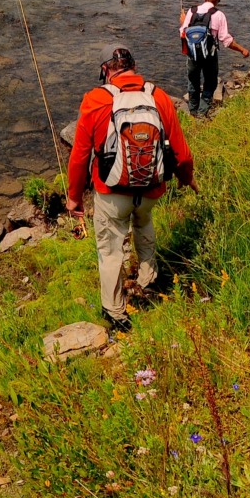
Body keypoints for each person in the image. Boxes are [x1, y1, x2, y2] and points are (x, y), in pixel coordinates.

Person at [66, 47, 195, 332]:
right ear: (134, 67)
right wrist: (188, 179)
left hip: (111, 194)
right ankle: (149, 281)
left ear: (105, 70)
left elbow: (79, 156)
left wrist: (74, 198)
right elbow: (182, 156)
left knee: (111, 249)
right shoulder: (158, 96)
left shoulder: (95, 100)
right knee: (144, 223)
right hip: (150, 189)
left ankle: (115, 312)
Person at [178, 0, 250, 115]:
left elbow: (183, 34)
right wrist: (242, 49)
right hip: (209, 56)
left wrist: (183, 23)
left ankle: (193, 112)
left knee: (193, 83)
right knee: (210, 84)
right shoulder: (219, 15)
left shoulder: (191, 11)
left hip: (192, 55)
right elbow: (226, 41)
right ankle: (201, 114)